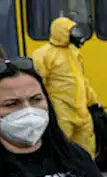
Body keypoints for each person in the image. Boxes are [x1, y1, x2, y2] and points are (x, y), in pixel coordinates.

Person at [32, 18, 100, 156]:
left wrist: (93, 101)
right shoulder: (43, 54)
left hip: (81, 110)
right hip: (60, 109)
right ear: (62, 33)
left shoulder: (73, 52)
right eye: (71, 31)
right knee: (60, 146)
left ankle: (85, 173)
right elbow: (38, 84)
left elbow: (81, 80)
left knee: (85, 147)